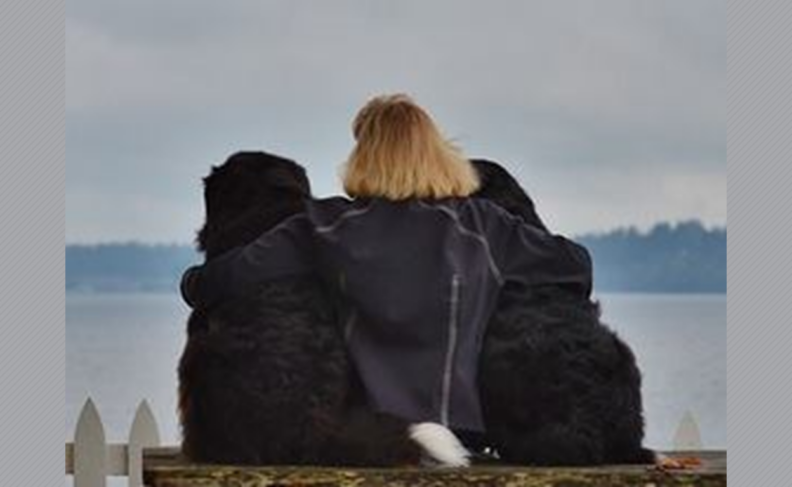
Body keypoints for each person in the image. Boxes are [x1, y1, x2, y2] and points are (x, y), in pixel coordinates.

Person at [180, 94, 592, 437]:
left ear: (366, 158)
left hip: (369, 434)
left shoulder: (322, 226)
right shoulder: (486, 228)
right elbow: (576, 267)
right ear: (437, 155)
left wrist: (192, 283)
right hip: (462, 434)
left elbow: (223, 281)